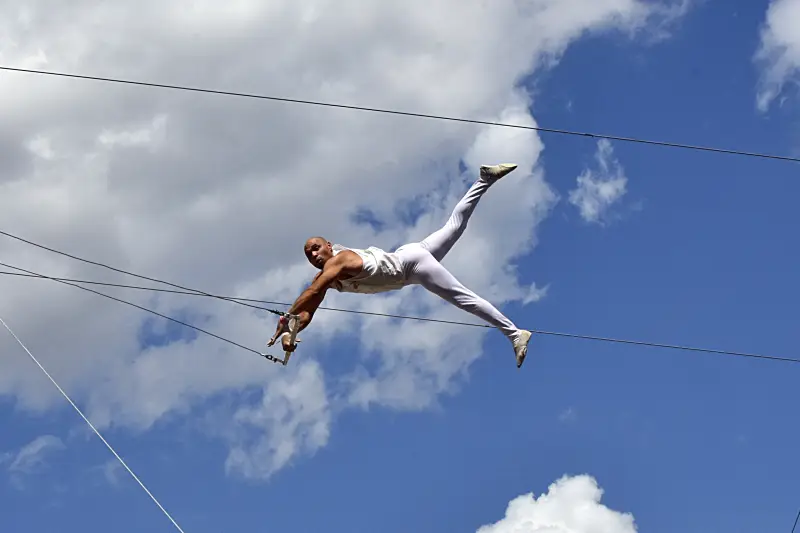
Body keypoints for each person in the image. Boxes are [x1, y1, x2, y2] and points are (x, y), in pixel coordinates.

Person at [267, 163, 533, 368]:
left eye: (316, 247)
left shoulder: (338, 261)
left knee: (464, 299)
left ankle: (514, 334)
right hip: (408, 254)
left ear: (329, 245)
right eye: (308, 254)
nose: (313, 254)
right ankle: (485, 178)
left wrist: (288, 317)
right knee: (455, 225)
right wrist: (291, 331)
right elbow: (309, 309)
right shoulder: (329, 276)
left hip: (412, 266)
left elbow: (312, 293)